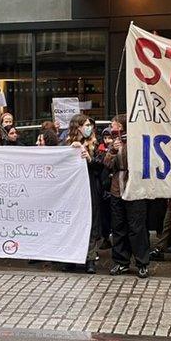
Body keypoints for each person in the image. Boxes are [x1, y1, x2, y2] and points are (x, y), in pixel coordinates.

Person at [103, 115, 150, 278]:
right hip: (117, 189)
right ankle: (121, 262)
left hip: (135, 189)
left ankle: (142, 262)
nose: (111, 127)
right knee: (118, 227)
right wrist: (114, 150)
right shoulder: (114, 143)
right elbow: (107, 164)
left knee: (137, 227)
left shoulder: (137, 140)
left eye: (113, 124)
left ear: (122, 126)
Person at [65, 114, 103, 274]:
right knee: (74, 222)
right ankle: (71, 259)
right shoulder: (67, 144)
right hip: (73, 191)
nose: (89, 128)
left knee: (92, 223)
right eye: (86, 125)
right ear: (78, 127)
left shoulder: (95, 144)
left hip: (91, 188)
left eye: (90, 125)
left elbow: (101, 166)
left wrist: (89, 158)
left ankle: (90, 258)